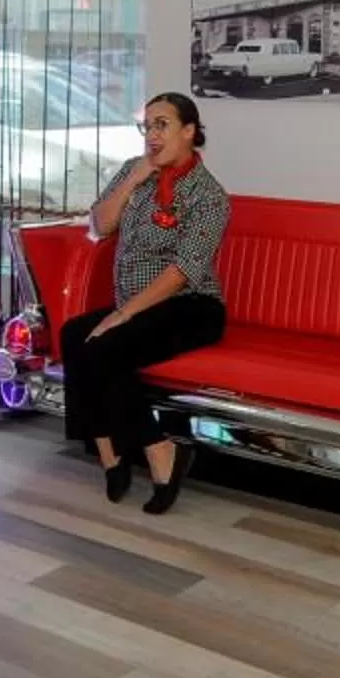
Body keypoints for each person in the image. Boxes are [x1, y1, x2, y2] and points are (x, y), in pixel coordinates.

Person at [60, 92, 229, 515]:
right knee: (73, 334)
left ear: (189, 132)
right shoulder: (133, 173)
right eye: (147, 126)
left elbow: (182, 271)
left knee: (104, 346)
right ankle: (110, 453)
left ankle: (162, 452)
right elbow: (101, 224)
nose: (152, 135)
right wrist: (136, 177)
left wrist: (123, 313)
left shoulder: (209, 197)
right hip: (136, 303)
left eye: (162, 125)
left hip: (190, 306)